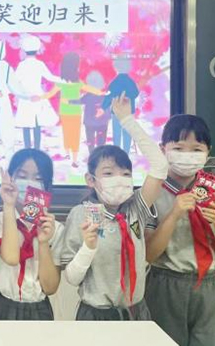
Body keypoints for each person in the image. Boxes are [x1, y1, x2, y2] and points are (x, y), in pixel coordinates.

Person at [56, 93, 168, 321]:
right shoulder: (82, 214)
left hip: (136, 311)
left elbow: (160, 165)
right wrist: (88, 247)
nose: (119, 179)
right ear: (91, 180)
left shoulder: (135, 207)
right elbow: (72, 278)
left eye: (125, 174)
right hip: (96, 314)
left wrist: (127, 120)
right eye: (108, 173)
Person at [145, 115, 215, 346]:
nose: (187, 155)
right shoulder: (151, 194)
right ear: (163, 149)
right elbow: (148, 255)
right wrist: (174, 214)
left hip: (210, 287)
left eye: (196, 149)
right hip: (165, 284)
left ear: (208, 152)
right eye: (178, 148)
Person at [0, 148, 62, 320]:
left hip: (40, 309)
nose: (29, 183)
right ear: (10, 178)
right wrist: (9, 205)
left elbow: (50, 288)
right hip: (3, 306)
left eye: (38, 178)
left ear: (47, 186)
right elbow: (11, 258)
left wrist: (43, 243)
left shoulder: (54, 228)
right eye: (22, 175)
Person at [43, 53, 105, 167]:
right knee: (74, 134)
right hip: (75, 113)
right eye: (77, 65)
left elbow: (50, 94)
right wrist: (100, 92)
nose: (78, 68)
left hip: (65, 112)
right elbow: (88, 88)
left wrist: (39, 97)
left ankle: (69, 154)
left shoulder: (62, 82)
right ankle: (73, 159)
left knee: (67, 133)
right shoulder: (76, 83)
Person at [14, 36, 61, 150]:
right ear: (37, 49)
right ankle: (37, 149)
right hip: (37, 95)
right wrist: (63, 80)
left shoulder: (22, 65)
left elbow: (15, 81)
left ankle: (27, 148)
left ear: (24, 50)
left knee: (26, 124)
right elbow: (50, 77)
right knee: (37, 124)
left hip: (26, 96)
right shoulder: (39, 64)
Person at [102, 56, 140, 153]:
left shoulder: (115, 82)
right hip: (128, 111)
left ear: (116, 67)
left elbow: (109, 95)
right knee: (127, 132)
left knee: (117, 132)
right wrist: (127, 97)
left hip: (116, 111)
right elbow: (136, 93)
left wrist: (103, 107)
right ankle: (126, 152)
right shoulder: (130, 81)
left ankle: (117, 152)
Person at [79, 71, 111, 154]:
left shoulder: (87, 96)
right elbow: (108, 110)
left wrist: (68, 100)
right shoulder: (104, 96)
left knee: (90, 141)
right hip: (102, 123)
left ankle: (92, 155)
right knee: (101, 142)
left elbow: (78, 101)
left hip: (89, 123)